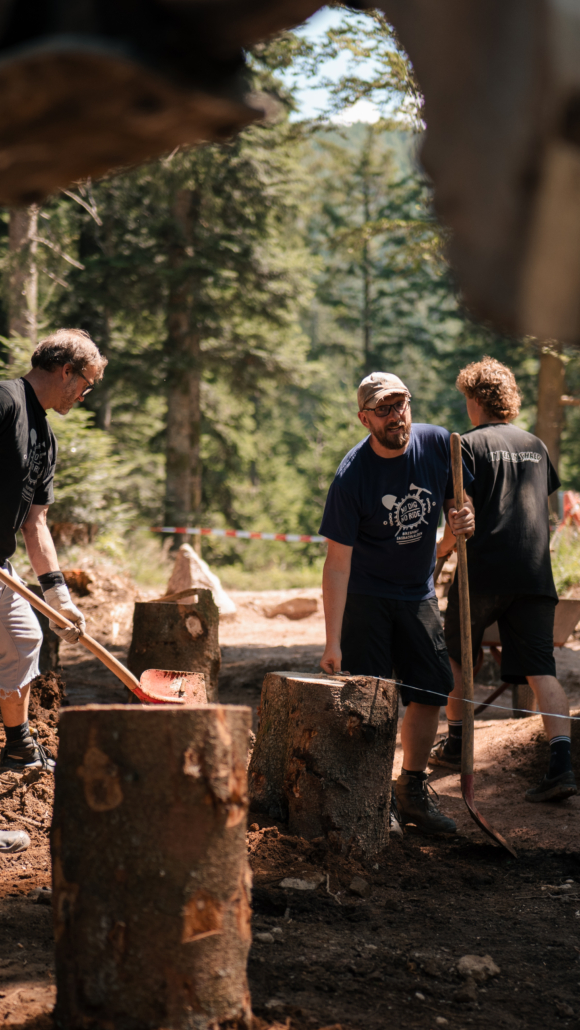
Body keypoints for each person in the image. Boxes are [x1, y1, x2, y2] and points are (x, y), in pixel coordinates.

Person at [319, 371, 475, 835]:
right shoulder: (352, 476)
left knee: (431, 689)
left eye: (400, 405)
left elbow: (459, 504)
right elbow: (336, 564)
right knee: (370, 699)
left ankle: (411, 788)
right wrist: (332, 642)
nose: (395, 416)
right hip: (366, 597)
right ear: (364, 419)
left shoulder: (439, 444)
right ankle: (372, 796)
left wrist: (461, 524)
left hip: (418, 592)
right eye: (383, 410)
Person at [430, 357, 576, 802]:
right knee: (541, 669)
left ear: (475, 399)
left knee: (458, 656)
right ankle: (562, 766)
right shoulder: (536, 446)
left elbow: (461, 516)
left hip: (483, 572)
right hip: (534, 574)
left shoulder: (465, 445)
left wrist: (438, 554)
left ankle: (456, 744)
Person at [0, 328, 107, 853]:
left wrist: (58, 595)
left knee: (25, 638)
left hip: (0, 564)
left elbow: (35, 522)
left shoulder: (46, 437)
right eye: (86, 385)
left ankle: (18, 745)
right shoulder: (4, 402)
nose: (84, 396)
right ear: (67, 370)